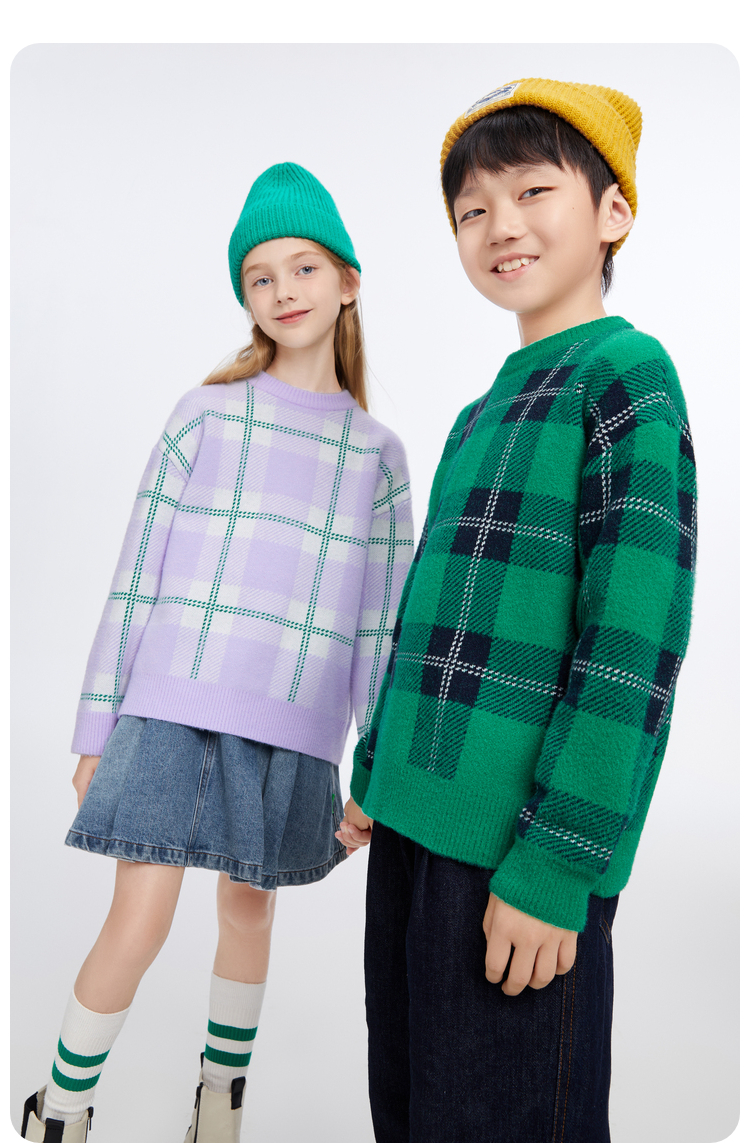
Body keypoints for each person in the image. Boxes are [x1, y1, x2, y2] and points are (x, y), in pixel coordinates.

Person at [21, 162, 413, 1143]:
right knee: (140, 919)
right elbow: (136, 573)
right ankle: (61, 1109)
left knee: (250, 913)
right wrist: (95, 726)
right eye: (260, 277)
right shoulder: (204, 414)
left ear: (349, 281)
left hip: (294, 733)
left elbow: (382, 626)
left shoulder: (377, 455)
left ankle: (218, 1109)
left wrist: (377, 767)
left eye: (304, 267)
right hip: (167, 712)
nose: (284, 290)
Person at [336, 78, 697, 1142]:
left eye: (533, 190)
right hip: (412, 835)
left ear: (613, 211)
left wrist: (559, 864)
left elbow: (632, 645)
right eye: (472, 209)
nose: (501, 224)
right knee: (412, 1110)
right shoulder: (475, 413)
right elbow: (426, 614)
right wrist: (374, 773)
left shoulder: (627, 377)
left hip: (516, 852)